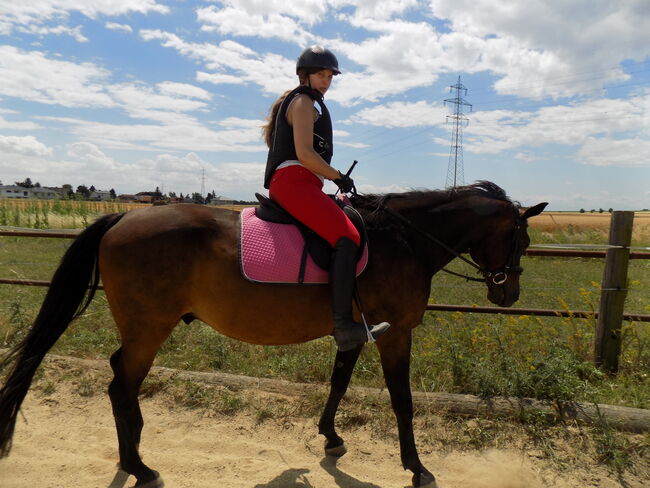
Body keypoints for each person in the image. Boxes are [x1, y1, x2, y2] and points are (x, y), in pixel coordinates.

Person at [261, 45, 390, 352]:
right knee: (347, 235)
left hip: (304, 183)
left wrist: (329, 178)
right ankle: (344, 326)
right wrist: (337, 176)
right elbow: (305, 154)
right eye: (321, 74)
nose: (327, 80)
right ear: (305, 75)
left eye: (331, 75)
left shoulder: (309, 103)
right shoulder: (304, 102)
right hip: (294, 182)